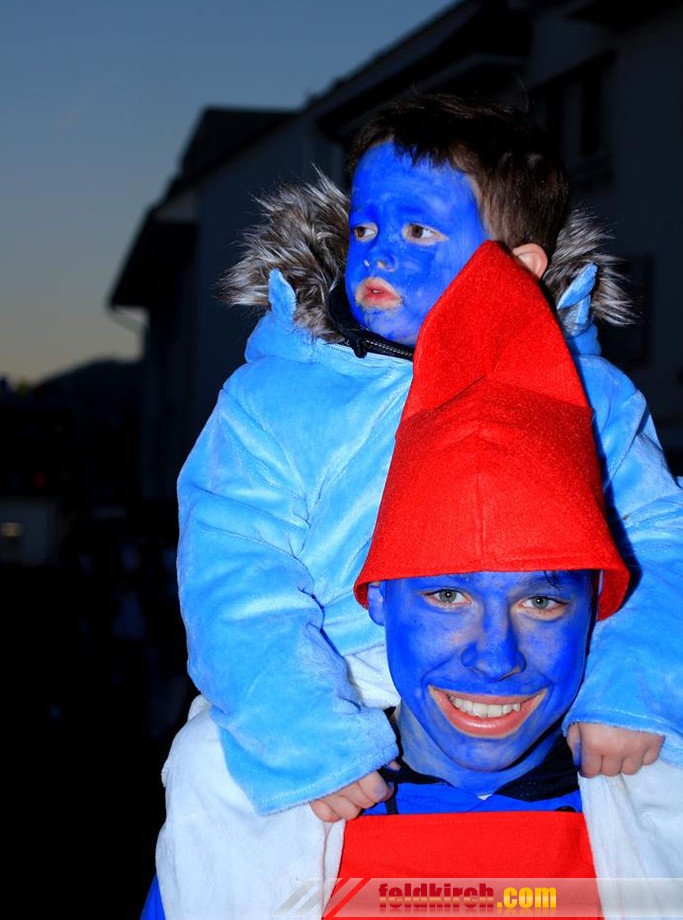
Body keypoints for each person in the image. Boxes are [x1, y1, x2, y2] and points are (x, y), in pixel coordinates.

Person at [149, 95, 682, 920]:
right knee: (210, 770)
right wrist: (303, 731)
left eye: (419, 231)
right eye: (364, 228)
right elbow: (231, 568)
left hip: (548, 669)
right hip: (330, 672)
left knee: (660, 774)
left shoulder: (589, 395)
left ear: (522, 266)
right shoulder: (280, 397)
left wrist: (631, 685)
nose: (379, 253)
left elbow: (659, 537)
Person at [329, 239, 681, 920]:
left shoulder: (662, 817)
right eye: (447, 595)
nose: (496, 658)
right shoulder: (255, 830)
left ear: (595, 609)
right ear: (377, 599)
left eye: (541, 600)